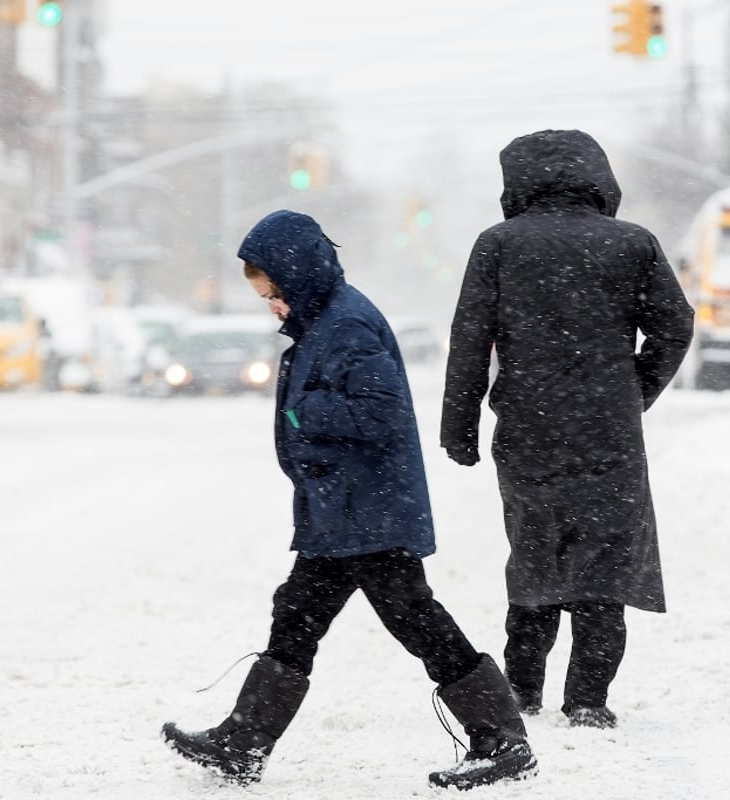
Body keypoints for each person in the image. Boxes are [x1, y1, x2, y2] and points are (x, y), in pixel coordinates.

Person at [161, 210, 538, 790]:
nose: (272, 304)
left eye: (273, 291)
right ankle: (244, 741)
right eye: (264, 295)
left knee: (413, 617)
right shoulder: (325, 322)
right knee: (297, 614)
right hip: (343, 511)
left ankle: (501, 739)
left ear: (298, 276)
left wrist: (302, 412)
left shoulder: (346, 327)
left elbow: (382, 413)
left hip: (368, 510)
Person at [440, 130, 695, 729]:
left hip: (529, 431)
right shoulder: (633, 245)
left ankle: (523, 688)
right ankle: (588, 698)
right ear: (598, 178)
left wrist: (461, 425)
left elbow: (469, 341)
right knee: (605, 563)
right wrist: (635, 389)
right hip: (609, 432)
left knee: (535, 555)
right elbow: (675, 326)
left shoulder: (498, 246)